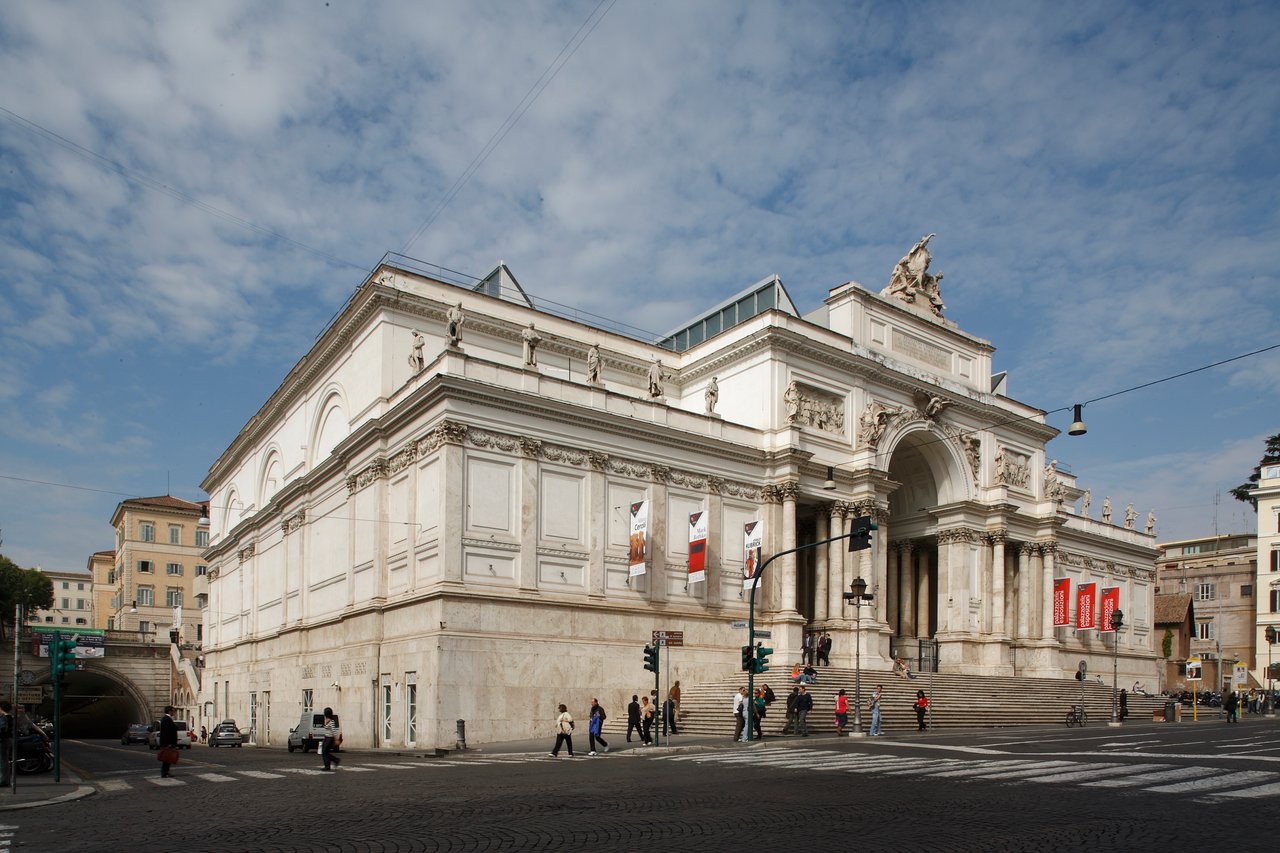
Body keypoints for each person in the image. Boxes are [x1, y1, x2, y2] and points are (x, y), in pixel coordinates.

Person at [159, 705, 178, 778]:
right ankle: (164, 772)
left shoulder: (166, 719)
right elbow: (167, 732)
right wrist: (169, 743)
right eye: (173, 711)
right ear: (170, 711)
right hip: (168, 743)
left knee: (168, 758)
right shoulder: (167, 719)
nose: (174, 712)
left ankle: (166, 771)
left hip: (167, 743)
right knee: (166, 758)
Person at [320, 706, 342, 771]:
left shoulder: (332, 722)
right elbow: (325, 728)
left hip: (330, 738)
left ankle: (328, 766)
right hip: (326, 737)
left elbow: (334, 731)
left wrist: (336, 740)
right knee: (324, 752)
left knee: (325, 752)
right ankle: (335, 760)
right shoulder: (327, 720)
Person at [0, 701, 12, 787]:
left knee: (2, 761)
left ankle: (3, 780)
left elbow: (2, 729)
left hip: (2, 741)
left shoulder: (4, 717)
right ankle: (5, 779)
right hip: (5, 740)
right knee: (4, 760)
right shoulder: (9, 716)